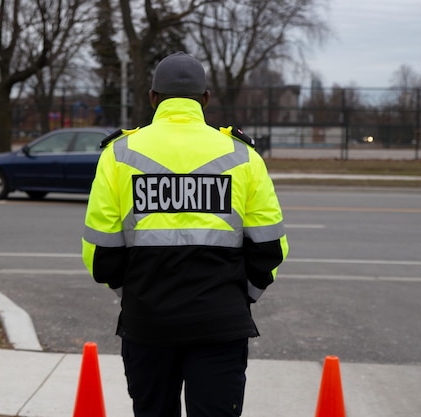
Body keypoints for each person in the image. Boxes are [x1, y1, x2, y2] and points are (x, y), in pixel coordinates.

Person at [82, 51, 288, 417]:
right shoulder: (242, 156)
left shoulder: (118, 155)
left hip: (147, 324)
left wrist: (134, 297)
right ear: (205, 99)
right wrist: (242, 299)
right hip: (220, 324)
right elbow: (269, 248)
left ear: (152, 98)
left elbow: (101, 256)